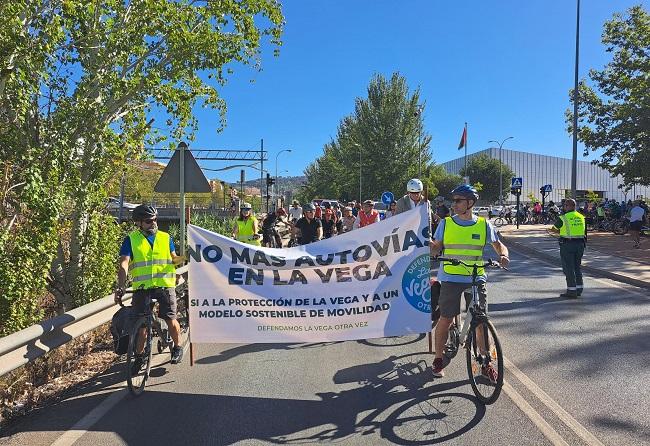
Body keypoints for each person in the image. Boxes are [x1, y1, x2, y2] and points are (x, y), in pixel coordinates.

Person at [429, 185, 509, 379]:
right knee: (446, 319)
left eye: (458, 201)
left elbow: (498, 245)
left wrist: (504, 255)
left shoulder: (483, 224)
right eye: (453, 201)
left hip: (475, 277)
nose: (453, 204)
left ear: (470, 203)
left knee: (481, 321)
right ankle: (438, 359)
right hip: (450, 277)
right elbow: (436, 248)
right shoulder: (446, 224)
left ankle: (485, 362)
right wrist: (429, 245)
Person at [114, 204, 185, 365]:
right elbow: (124, 264)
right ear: (138, 223)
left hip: (164, 285)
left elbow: (174, 259)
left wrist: (187, 256)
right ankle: (139, 357)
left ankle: (177, 347)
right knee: (141, 327)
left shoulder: (166, 237)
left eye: (155, 219)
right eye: (148, 221)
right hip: (142, 288)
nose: (153, 223)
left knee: (170, 318)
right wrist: (121, 285)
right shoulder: (130, 240)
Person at [547, 198, 586, 298]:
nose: (564, 207)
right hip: (580, 244)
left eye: (565, 205)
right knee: (577, 267)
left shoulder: (563, 218)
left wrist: (552, 230)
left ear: (568, 206)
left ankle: (571, 291)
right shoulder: (581, 217)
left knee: (569, 268)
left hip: (568, 245)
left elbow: (554, 229)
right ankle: (579, 289)